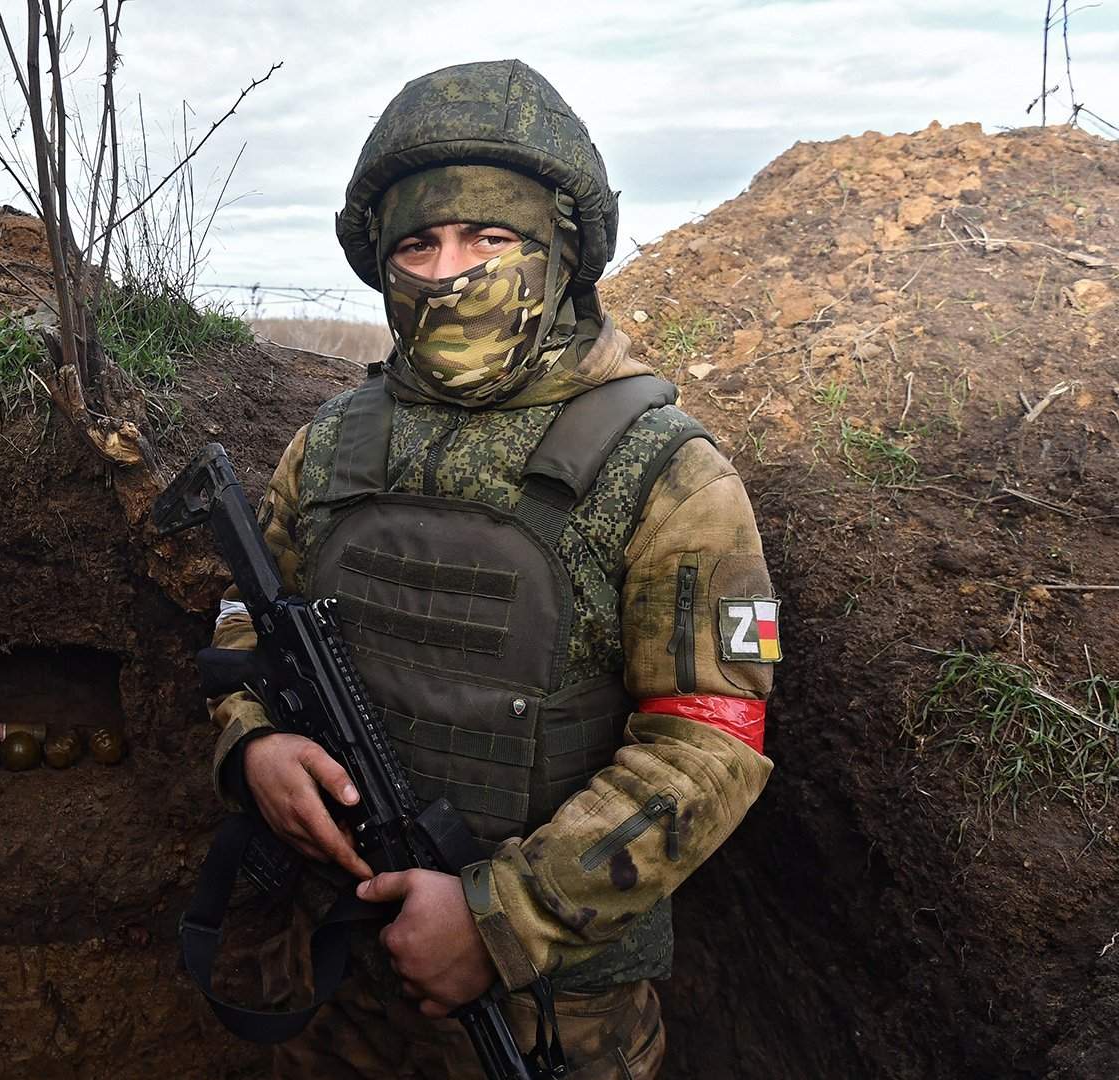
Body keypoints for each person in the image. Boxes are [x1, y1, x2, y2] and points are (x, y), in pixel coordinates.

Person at [206, 59, 779, 1079]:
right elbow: (249, 625)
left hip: (552, 1020)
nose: (449, 270)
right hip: (340, 982)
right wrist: (255, 748)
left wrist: (498, 919)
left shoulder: (667, 472)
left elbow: (710, 747)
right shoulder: (329, 446)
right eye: (418, 243)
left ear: (559, 255)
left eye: (489, 238)